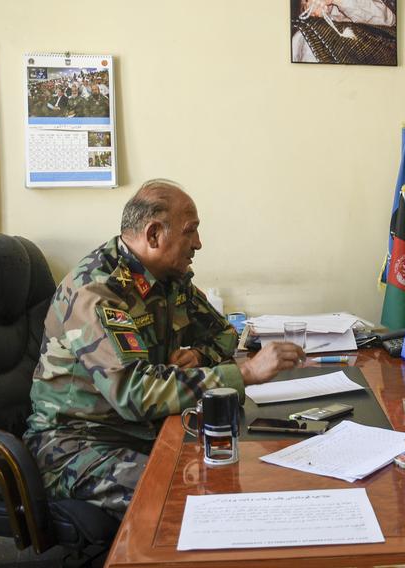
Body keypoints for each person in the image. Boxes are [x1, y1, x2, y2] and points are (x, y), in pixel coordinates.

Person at [23, 179, 304, 518]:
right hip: (78, 443)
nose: (198, 243)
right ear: (154, 235)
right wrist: (244, 372)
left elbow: (225, 335)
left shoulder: (169, 280)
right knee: (189, 499)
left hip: (146, 428)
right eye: (191, 231)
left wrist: (198, 356)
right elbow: (133, 392)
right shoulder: (98, 292)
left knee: (239, 467)